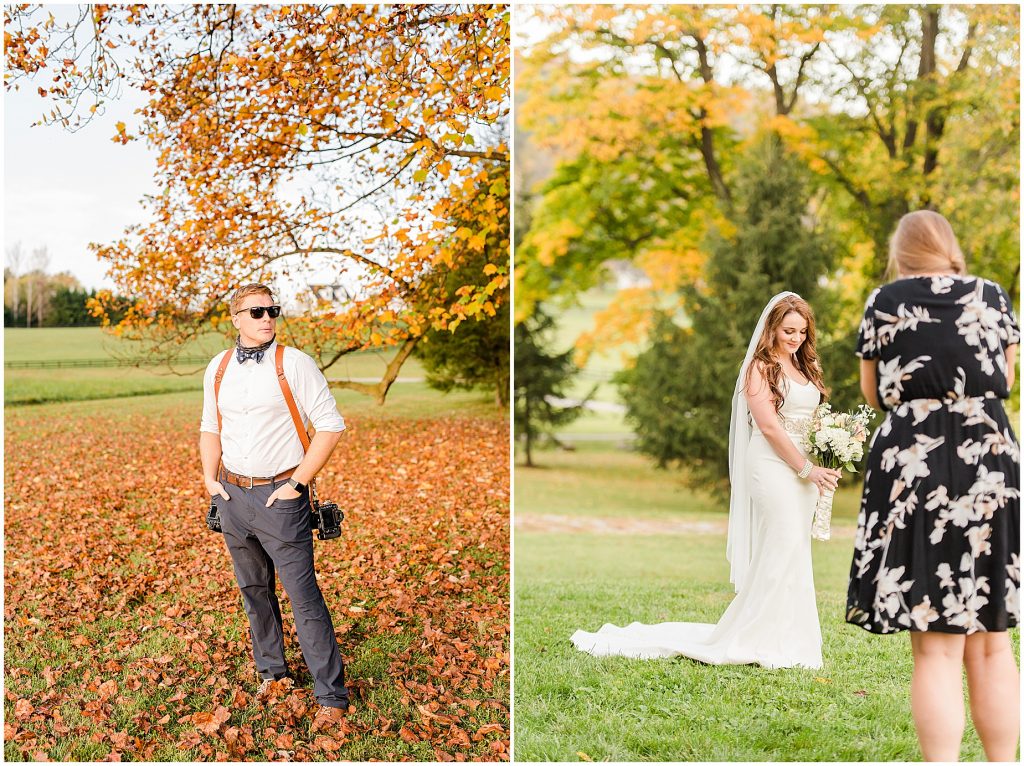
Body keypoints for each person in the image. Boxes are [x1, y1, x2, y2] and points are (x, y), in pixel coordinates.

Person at [571, 293, 841, 668]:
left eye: (801, 331)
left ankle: (789, 636)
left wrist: (832, 448)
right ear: (772, 329)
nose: (795, 338)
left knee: (793, 549)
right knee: (779, 546)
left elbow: (808, 421)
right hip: (772, 465)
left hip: (803, 470)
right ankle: (753, 636)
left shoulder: (805, 367)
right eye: (787, 330)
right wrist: (806, 469)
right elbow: (769, 426)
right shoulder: (759, 368)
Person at [846, 210, 1020, 761]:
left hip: (915, 465)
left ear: (900, 253)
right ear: (950, 247)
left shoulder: (885, 301)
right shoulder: (992, 296)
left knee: (936, 648)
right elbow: (1007, 378)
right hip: (990, 459)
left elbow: (874, 393)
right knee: (993, 644)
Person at [199, 283, 352, 733]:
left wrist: (296, 483)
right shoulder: (219, 367)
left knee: (304, 600)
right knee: (254, 593)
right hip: (232, 496)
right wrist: (210, 480)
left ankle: (331, 696)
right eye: (257, 312)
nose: (267, 318)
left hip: (280, 499)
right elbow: (210, 425)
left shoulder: (294, 364)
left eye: (273, 311)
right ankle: (273, 674)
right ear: (236, 319)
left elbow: (330, 425)